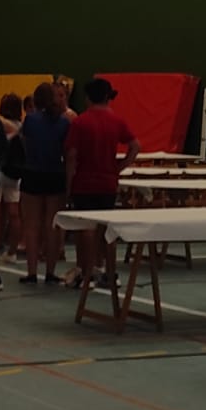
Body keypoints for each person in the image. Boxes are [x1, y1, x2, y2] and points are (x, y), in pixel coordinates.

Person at [64, 76, 140, 290]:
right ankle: (109, 272)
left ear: (88, 97)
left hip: (84, 182)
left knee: (85, 229)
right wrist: (119, 168)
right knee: (107, 231)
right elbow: (135, 146)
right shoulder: (117, 121)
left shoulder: (80, 122)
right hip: (107, 183)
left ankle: (85, 272)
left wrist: (68, 184)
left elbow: (71, 155)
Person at [17, 82, 73, 285]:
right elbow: (67, 154)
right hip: (55, 174)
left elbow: (24, 143)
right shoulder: (64, 123)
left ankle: (32, 272)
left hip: (33, 173)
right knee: (52, 226)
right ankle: (50, 271)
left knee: (31, 225)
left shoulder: (30, 120)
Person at [0, 92, 26, 265]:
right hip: (15, 175)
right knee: (14, 214)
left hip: (0, 172)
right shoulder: (21, 126)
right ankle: (12, 250)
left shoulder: (0, 125)